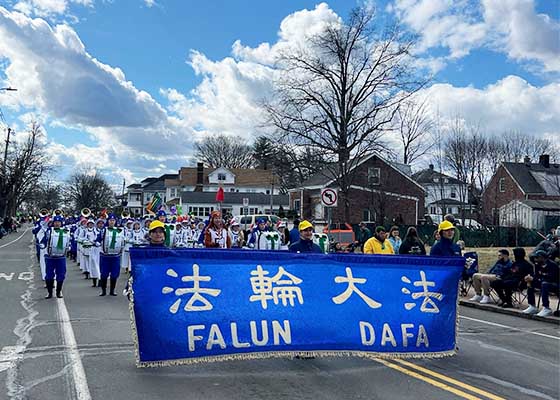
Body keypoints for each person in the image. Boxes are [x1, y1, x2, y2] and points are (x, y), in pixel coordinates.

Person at [522, 250, 559, 317]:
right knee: (530, 283)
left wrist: (537, 279)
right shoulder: (537, 265)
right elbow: (537, 276)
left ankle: (546, 308)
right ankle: (532, 305)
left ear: (542, 258)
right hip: (543, 282)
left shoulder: (552, 265)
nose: (535, 259)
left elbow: (551, 278)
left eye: (537, 257)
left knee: (544, 284)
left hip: (554, 284)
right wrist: (530, 278)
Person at [96, 214, 125, 296]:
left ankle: (112, 290)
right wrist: (97, 243)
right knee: (104, 273)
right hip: (105, 256)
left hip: (115, 256)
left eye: (113, 220)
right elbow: (98, 239)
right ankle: (103, 290)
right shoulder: (103, 230)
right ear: (108, 221)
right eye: (110, 220)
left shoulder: (120, 230)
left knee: (114, 274)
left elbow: (123, 240)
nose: (112, 222)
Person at [41, 215, 70, 299]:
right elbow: (44, 240)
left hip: (61, 257)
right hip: (50, 257)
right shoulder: (49, 231)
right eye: (56, 222)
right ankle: (49, 293)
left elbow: (68, 241)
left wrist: (69, 247)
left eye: (59, 222)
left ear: (61, 223)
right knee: (49, 275)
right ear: (53, 223)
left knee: (61, 274)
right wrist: (42, 244)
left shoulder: (66, 231)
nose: (57, 224)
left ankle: (58, 292)